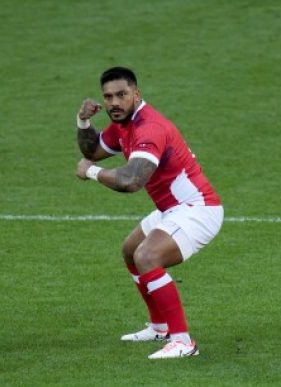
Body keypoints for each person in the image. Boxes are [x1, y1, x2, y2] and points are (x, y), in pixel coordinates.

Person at [75, 66, 223, 360]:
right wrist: (82, 121)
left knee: (147, 256)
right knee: (131, 250)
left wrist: (91, 173)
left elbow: (131, 181)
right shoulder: (123, 124)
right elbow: (93, 150)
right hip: (172, 209)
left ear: (136, 94)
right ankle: (160, 327)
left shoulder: (149, 128)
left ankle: (183, 342)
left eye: (121, 95)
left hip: (198, 210)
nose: (114, 103)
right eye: (108, 97)